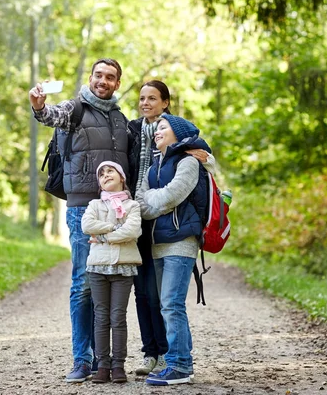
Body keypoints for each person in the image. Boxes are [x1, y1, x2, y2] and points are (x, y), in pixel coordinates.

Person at [28, 58, 130, 383]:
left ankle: (106, 361)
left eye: (110, 77)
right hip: (83, 209)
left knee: (109, 283)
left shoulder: (120, 119)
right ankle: (81, 359)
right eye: (99, 75)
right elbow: (50, 115)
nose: (103, 81)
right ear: (91, 77)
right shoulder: (76, 109)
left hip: (117, 211)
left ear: (117, 83)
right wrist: (39, 106)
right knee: (84, 283)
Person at [127, 81, 216, 376]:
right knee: (168, 304)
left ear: (176, 133)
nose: (157, 133)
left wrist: (152, 200)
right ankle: (181, 363)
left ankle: (179, 366)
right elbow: (142, 199)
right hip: (157, 242)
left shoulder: (188, 162)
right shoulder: (154, 166)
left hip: (180, 240)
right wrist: (152, 200)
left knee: (171, 304)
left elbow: (168, 197)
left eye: (163, 129)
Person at [81, 161, 142, 384]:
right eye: (101, 174)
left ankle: (118, 365)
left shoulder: (132, 206)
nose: (105, 175)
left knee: (118, 317)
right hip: (98, 267)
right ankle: (102, 365)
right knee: (101, 316)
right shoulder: (95, 204)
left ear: (121, 177)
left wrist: (104, 236)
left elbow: (133, 230)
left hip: (123, 267)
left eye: (110, 171)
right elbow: (87, 225)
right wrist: (117, 228)